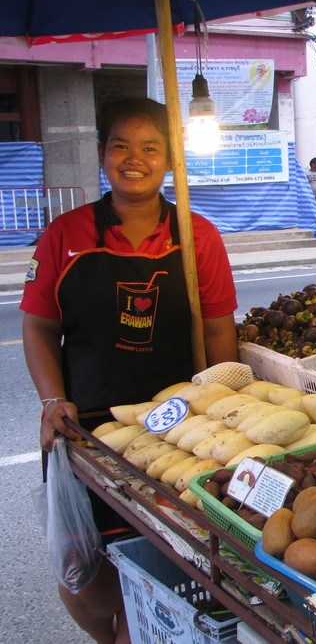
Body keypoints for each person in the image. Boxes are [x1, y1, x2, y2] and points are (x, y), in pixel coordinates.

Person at [20, 97, 239, 644]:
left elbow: (218, 333)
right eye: (120, 145)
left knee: (160, 570)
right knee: (86, 581)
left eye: (150, 147)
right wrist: (52, 401)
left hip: (176, 432)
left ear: (170, 160)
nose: (133, 158)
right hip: (86, 430)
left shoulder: (197, 237)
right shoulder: (63, 236)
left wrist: (227, 412)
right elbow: (39, 328)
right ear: (101, 153)